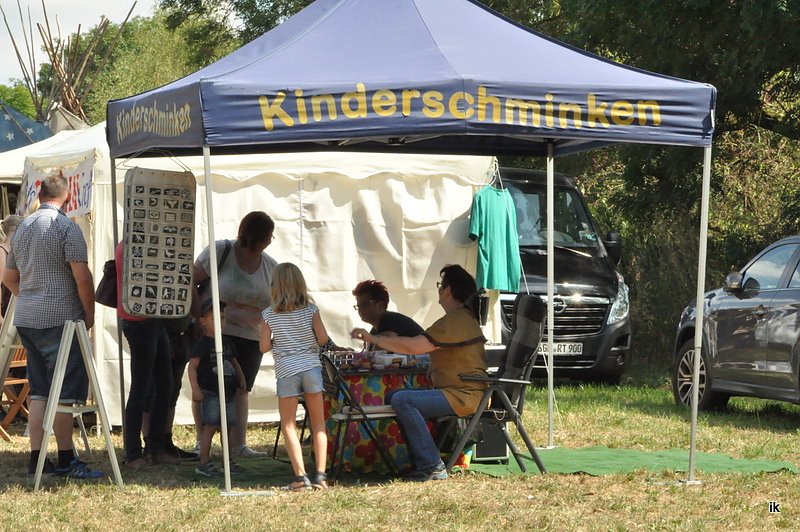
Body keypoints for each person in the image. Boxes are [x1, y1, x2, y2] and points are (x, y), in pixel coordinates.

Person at [3, 173, 103, 479]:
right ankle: (65, 459)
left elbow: (8, 277)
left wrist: (29, 296)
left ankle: (36, 458)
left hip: (28, 319)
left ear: (39, 193)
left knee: (40, 391)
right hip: (60, 320)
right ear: (68, 196)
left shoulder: (21, 229)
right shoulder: (66, 228)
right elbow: (82, 277)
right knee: (65, 394)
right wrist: (90, 314)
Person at [351, 264, 487, 482]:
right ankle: (418, 459)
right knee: (394, 396)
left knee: (404, 400)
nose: (439, 291)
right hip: (459, 392)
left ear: (449, 290)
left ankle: (431, 464)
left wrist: (374, 339)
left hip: (464, 395)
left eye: (440, 286)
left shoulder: (456, 320)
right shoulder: (460, 318)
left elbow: (416, 346)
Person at [193, 211, 278, 458]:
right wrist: (197, 317)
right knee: (208, 387)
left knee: (241, 387)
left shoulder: (270, 266)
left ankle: (237, 444)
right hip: (213, 333)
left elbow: (274, 303)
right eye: (266, 237)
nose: (267, 243)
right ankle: (202, 441)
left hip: (250, 336)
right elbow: (190, 279)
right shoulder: (220, 252)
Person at [260, 262, 331, 490]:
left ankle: (300, 477)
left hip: (286, 370)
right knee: (318, 424)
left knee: (289, 424)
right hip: (311, 367)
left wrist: (278, 341)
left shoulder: (269, 314)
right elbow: (322, 339)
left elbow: (263, 347)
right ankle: (320, 475)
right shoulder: (311, 310)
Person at [115, 242, 180, 469]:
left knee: (164, 383)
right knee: (142, 387)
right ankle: (134, 453)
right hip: (139, 320)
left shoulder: (139, 241)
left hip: (151, 318)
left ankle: (155, 447)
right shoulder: (132, 244)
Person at [189, 299, 246, 477]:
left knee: (227, 427)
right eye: (214, 318)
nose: (220, 322)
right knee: (210, 426)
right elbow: (192, 367)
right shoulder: (203, 343)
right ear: (203, 321)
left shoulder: (227, 341)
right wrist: (196, 389)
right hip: (211, 392)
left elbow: (234, 362)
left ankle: (227, 461)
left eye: (222, 318)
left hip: (228, 393)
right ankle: (203, 462)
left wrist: (242, 378)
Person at [351, 280, 424, 349]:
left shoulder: (389, 320)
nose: (360, 309)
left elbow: (378, 353)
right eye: (358, 306)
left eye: (364, 304)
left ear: (380, 304)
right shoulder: (376, 328)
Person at [0, 214, 22, 326]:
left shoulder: (13, 252)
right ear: (14, 230)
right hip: (4, 312)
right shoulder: (2, 251)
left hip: (11, 311)